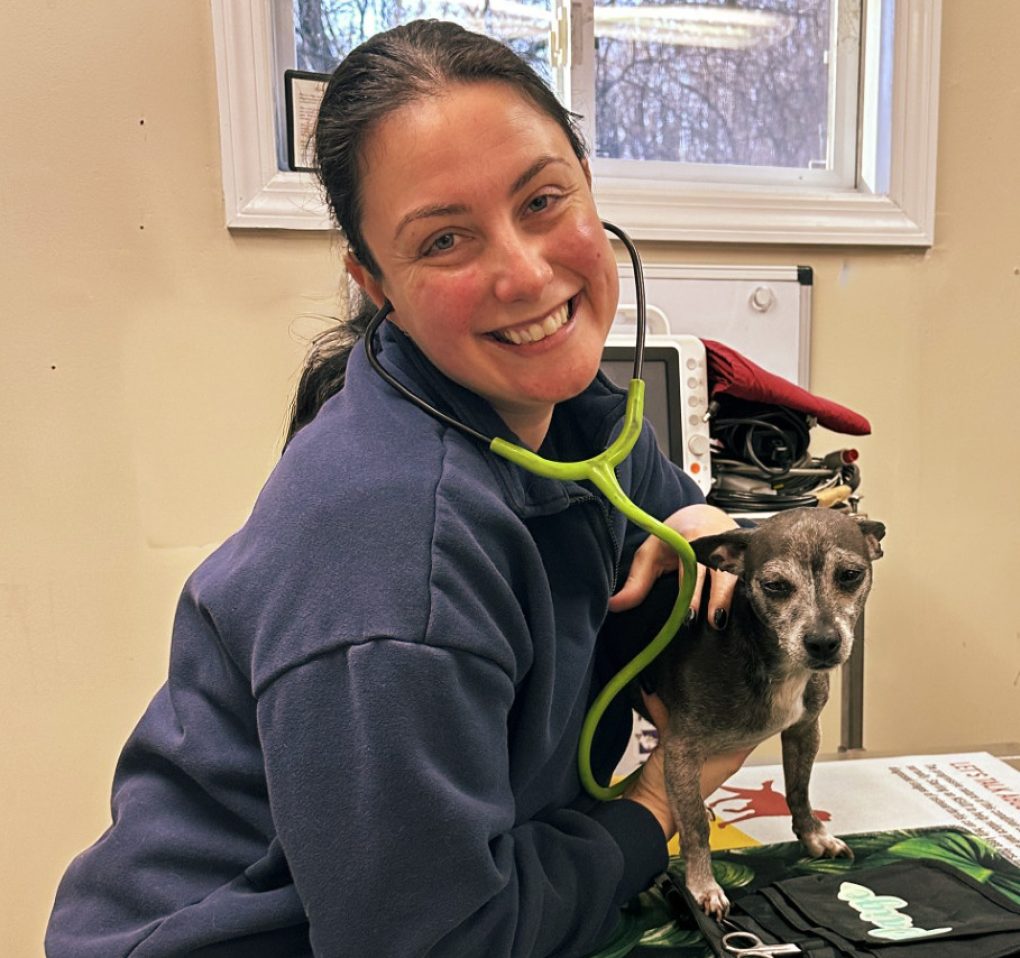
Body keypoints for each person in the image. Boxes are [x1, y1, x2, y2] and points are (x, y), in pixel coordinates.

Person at [46, 20, 747, 958]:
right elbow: (437, 944)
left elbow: (649, 490)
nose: (527, 272)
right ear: (374, 280)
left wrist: (701, 519)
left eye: (543, 200)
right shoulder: (390, 549)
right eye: (446, 239)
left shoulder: (559, 409)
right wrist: (663, 802)